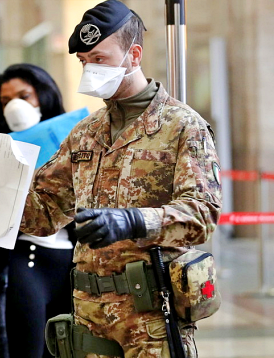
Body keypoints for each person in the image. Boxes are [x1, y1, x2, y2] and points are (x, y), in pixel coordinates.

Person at [21, 1, 222, 357]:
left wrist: (134, 220)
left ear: (134, 55)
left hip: (151, 315)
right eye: (84, 62)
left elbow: (201, 215)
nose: (89, 70)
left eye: (99, 59)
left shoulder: (181, 126)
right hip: (88, 313)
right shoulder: (84, 133)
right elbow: (43, 213)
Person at [0, 64, 76, 358]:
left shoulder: (74, 139)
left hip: (72, 264)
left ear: (43, 95)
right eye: (6, 101)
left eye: (24, 96)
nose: (15, 106)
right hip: (21, 261)